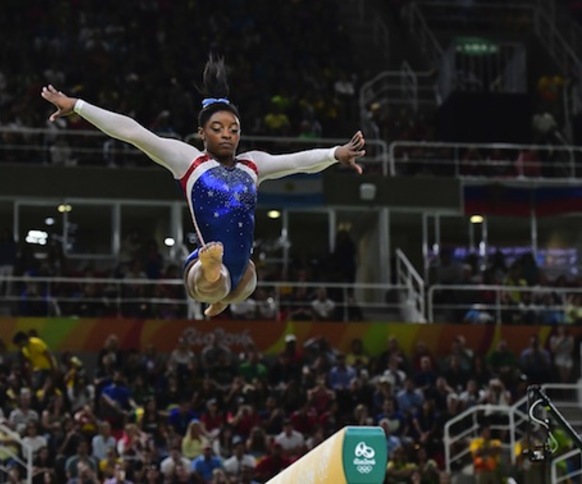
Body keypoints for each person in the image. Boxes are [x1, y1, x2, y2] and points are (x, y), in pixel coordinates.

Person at [41, 55, 365, 317]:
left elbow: (297, 162)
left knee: (247, 281)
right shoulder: (190, 162)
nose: (227, 134)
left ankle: (223, 295)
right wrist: (78, 106)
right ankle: (211, 274)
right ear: (202, 133)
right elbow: (133, 132)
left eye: (233, 129)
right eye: (218, 128)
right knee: (213, 280)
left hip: (241, 270)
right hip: (204, 267)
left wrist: (335, 153)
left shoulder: (253, 165)